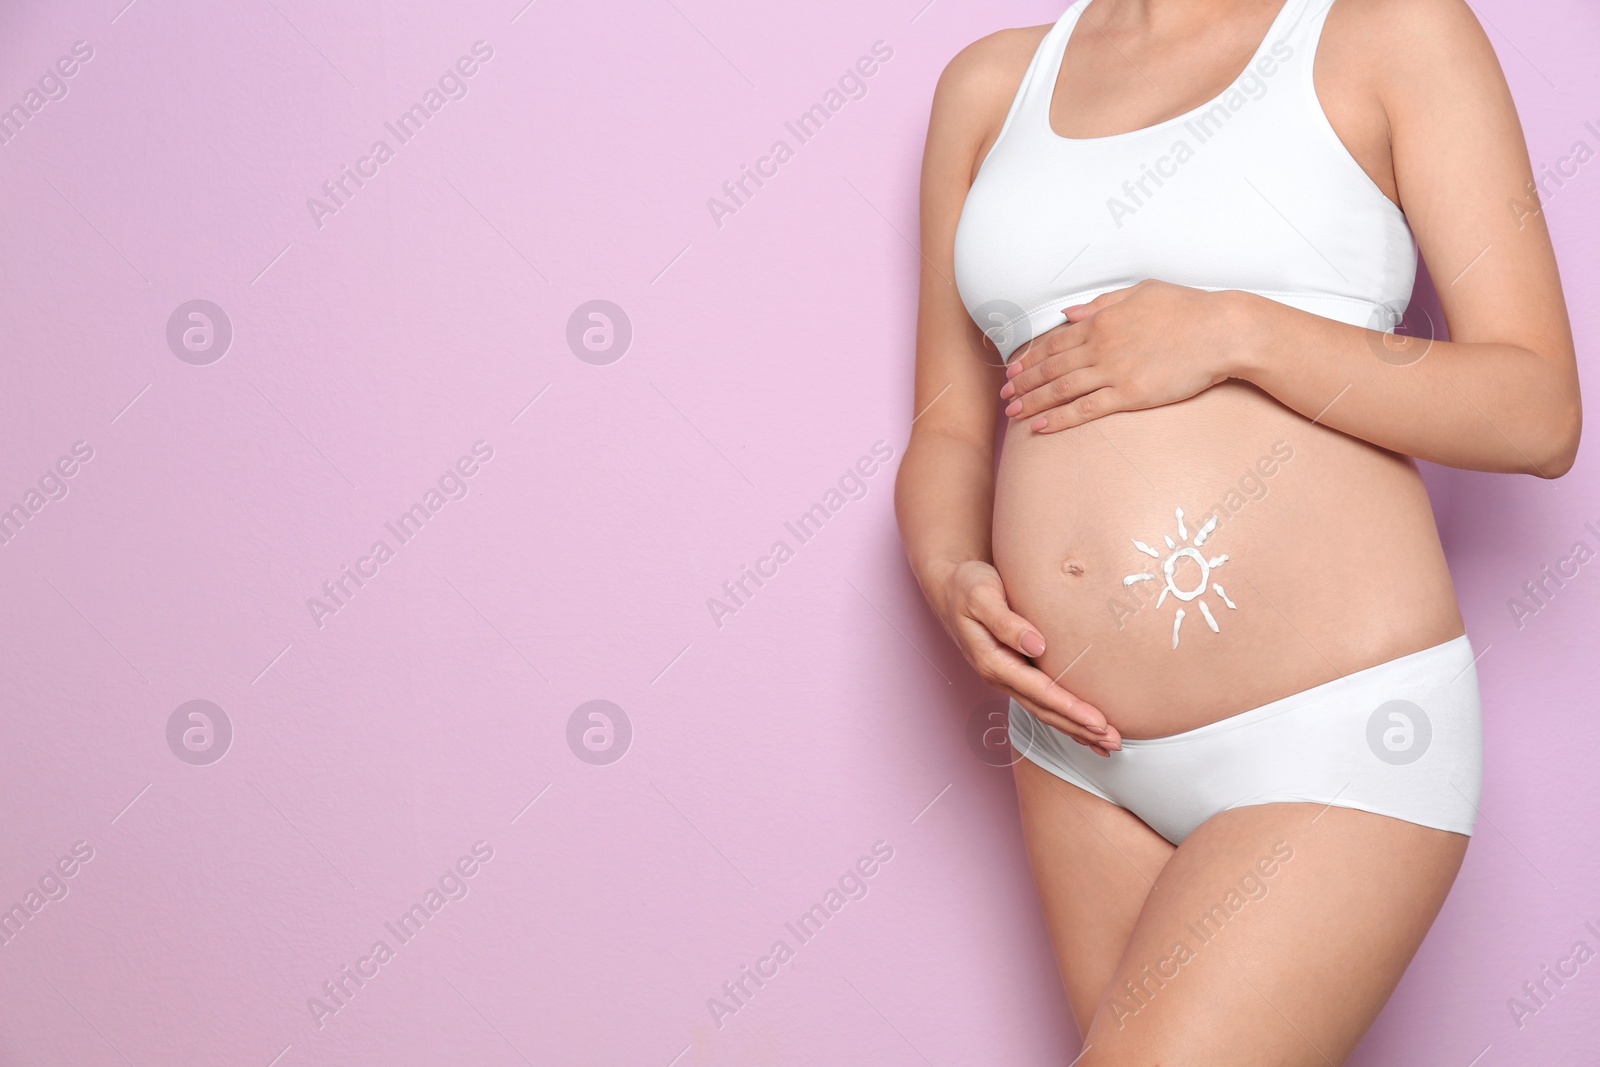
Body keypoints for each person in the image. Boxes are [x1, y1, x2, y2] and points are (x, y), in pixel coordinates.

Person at [894, 0, 1580, 1061]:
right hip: (1074, 749)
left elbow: (1536, 411)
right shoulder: (989, 85)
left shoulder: (1391, 31)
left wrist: (1233, 329)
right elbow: (947, 426)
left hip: (1331, 735)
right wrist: (948, 572)